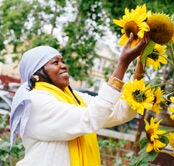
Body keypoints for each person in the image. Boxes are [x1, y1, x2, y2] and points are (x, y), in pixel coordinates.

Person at [10, 33, 149, 166]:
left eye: (63, 61)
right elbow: (90, 118)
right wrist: (122, 64)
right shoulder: (35, 101)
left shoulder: (76, 98)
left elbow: (119, 112)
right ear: (36, 72)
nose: (63, 65)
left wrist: (140, 64)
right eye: (55, 62)